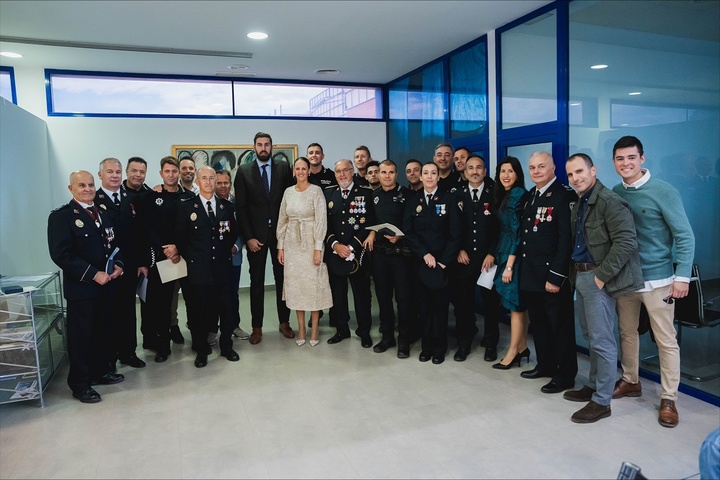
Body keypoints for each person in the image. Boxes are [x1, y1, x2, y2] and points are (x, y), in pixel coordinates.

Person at [611, 135, 695, 428]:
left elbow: (684, 235)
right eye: (620, 159)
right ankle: (630, 380)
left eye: (631, 157)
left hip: (659, 279)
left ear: (642, 159)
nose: (626, 163)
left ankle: (669, 397)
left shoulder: (664, 191)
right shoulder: (614, 193)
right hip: (626, 279)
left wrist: (682, 276)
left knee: (665, 340)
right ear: (614, 162)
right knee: (627, 333)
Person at [563, 153, 643, 424]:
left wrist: (601, 277)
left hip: (598, 278)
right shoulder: (581, 202)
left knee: (602, 340)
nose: (576, 178)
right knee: (589, 335)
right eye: (571, 174)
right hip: (582, 277)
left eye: (580, 171)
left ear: (593, 170)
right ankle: (594, 384)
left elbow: (626, 242)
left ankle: (602, 401)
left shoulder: (609, 201)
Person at [47, 170, 125, 403]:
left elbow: (114, 243)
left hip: (107, 286)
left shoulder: (102, 213)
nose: (88, 189)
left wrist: (119, 264)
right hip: (82, 289)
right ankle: (80, 383)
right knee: (81, 337)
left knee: (103, 331)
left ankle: (100, 371)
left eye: (91, 185)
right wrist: (93, 274)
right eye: (82, 185)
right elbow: (61, 255)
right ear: (71, 189)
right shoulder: (62, 217)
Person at [519, 151, 578, 394]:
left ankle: (565, 375)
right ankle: (545, 365)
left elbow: (566, 240)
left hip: (551, 276)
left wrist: (556, 277)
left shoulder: (564, 196)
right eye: (532, 167)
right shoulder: (531, 195)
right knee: (540, 325)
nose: (536, 171)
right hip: (531, 274)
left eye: (541, 166)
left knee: (560, 327)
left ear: (553, 167)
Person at [234, 132, 295, 344]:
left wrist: (286, 236)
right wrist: (248, 237)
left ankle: (284, 322)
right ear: (254, 147)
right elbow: (240, 208)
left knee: (282, 281)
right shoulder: (243, 171)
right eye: (259, 145)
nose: (263, 148)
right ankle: (257, 327)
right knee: (257, 282)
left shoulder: (283, 168)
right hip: (256, 239)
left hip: (280, 237)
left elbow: (290, 202)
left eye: (267, 145)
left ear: (272, 146)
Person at [175, 166, 239, 367]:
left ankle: (226, 346)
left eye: (212, 178)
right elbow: (181, 239)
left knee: (227, 309)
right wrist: (197, 258)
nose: (209, 182)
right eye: (205, 178)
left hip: (222, 269)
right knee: (199, 312)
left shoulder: (226, 207)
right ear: (198, 181)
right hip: (198, 271)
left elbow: (231, 235)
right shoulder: (187, 207)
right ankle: (201, 350)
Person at [404, 162, 462, 365]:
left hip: (443, 265)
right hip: (421, 263)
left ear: (438, 177)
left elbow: (456, 235)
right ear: (420, 177)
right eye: (425, 173)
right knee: (424, 307)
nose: (429, 176)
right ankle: (426, 347)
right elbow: (408, 232)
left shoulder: (450, 199)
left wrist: (444, 262)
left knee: (440, 308)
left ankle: (439, 348)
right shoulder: (413, 201)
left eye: (433, 173)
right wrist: (424, 254)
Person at [138, 156, 195, 362]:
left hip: (185, 256)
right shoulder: (152, 198)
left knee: (193, 300)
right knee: (161, 306)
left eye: (174, 171)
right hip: (162, 259)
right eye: (167, 171)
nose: (171, 175)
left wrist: (178, 248)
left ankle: (197, 341)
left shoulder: (189, 197)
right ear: (161, 173)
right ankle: (163, 346)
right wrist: (167, 249)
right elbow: (148, 229)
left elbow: (192, 229)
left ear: (179, 173)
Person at [94, 158, 146, 369]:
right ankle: (108, 356)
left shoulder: (132, 198)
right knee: (107, 314)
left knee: (127, 311)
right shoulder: (94, 200)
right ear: (101, 175)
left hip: (129, 266)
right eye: (110, 172)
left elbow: (141, 234)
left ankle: (128, 352)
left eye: (117, 172)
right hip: (105, 269)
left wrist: (142, 263)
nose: (114, 175)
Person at [276, 157, 333, 347]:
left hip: (311, 244)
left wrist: (318, 248)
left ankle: (314, 329)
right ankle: (301, 328)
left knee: (313, 287)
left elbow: (321, 220)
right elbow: (282, 220)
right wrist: (280, 246)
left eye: (304, 168)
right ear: (293, 171)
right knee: (297, 287)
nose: (300, 171)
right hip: (292, 246)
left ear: (309, 171)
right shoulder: (288, 192)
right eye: (297, 168)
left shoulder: (316, 191)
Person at [452, 155, 500, 362]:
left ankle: (491, 343)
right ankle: (464, 342)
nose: (474, 171)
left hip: (487, 259)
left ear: (485, 171)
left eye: (478, 167)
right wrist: (458, 249)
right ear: (464, 172)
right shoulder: (456, 195)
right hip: (464, 259)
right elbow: (452, 227)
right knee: (463, 304)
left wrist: (492, 253)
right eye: (470, 168)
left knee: (491, 304)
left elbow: (500, 228)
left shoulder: (495, 194)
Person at [324, 159, 375, 347]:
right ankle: (342, 330)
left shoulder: (366, 193)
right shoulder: (328, 193)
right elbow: (324, 225)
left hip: (358, 254)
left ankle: (364, 331)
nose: (342, 175)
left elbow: (369, 223)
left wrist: (352, 246)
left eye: (346, 170)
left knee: (362, 295)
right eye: (338, 171)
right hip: (335, 252)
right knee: (338, 294)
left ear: (352, 171)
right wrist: (335, 245)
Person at [368, 159, 414, 357]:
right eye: (383, 172)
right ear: (378, 174)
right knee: (383, 298)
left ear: (397, 174)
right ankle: (387, 337)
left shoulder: (408, 195)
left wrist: (401, 236)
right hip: (379, 255)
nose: (387, 176)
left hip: (401, 256)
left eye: (391, 172)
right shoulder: (374, 196)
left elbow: (413, 225)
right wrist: (370, 233)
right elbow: (370, 221)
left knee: (403, 300)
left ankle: (404, 341)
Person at [490, 156, 530, 370]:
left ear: (517, 174)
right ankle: (522, 346)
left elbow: (517, 233)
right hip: (503, 252)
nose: (506, 175)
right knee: (518, 306)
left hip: (513, 256)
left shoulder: (517, 195)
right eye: (502, 171)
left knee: (515, 306)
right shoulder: (505, 195)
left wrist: (509, 265)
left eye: (510, 171)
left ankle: (512, 352)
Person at [213, 169, 249, 342]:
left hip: (233, 258)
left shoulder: (238, 203)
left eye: (225, 182)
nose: (222, 186)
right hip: (212, 260)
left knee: (232, 294)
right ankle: (212, 329)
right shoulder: (208, 203)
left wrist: (235, 247)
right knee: (212, 294)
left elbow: (244, 228)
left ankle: (234, 325)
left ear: (230, 184)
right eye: (218, 182)